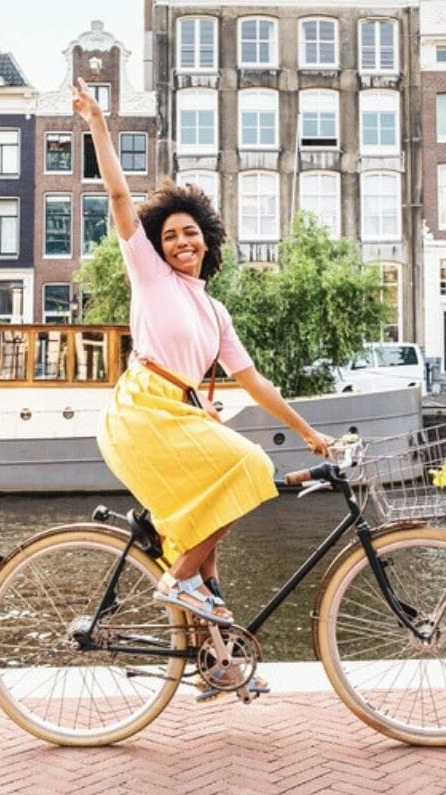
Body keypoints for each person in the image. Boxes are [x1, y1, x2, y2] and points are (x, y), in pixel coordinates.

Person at [72, 78, 332, 645]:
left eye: (190, 233)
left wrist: (312, 434)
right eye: (169, 236)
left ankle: (214, 659)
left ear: (208, 242)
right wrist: (96, 122)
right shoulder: (149, 272)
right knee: (251, 468)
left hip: (177, 414)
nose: (180, 242)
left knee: (207, 536)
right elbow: (119, 198)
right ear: (157, 245)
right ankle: (176, 581)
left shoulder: (216, 313)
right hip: (142, 411)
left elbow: (255, 382)